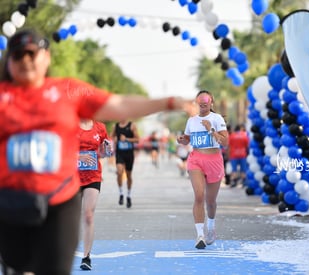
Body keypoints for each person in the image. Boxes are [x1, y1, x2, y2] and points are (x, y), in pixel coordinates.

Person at [0, 29, 193, 275]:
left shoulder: (66, 92)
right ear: (9, 62)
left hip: (60, 200)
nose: (25, 60)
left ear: (46, 57)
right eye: (18, 55)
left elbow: (120, 104)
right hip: (11, 201)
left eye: (31, 53)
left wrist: (168, 102)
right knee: (19, 267)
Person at [176, 90, 228, 249]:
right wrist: (182, 140)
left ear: (211, 102)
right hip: (196, 159)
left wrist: (211, 129)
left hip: (214, 160)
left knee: (210, 201)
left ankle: (211, 228)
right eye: (200, 101)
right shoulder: (191, 121)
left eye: (206, 100)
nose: (203, 103)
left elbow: (225, 142)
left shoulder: (217, 118)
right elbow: (188, 140)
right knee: (199, 195)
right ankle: (200, 235)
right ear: (197, 102)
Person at [77, 119, 112, 270]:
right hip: (72, 177)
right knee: (69, 217)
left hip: (93, 176)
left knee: (88, 215)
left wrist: (107, 150)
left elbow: (104, 154)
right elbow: (61, 149)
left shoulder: (100, 127)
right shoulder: (70, 124)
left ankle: (86, 257)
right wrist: (78, 157)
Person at [111, 120, 140, 208]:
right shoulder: (115, 126)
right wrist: (114, 139)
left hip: (129, 154)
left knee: (129, 176)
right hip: (120, 153)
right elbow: (112, 136)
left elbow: (137, 139)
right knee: (119, 172)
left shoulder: (132, 125)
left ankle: (128, 195)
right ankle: (121, 193)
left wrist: (127, 139)